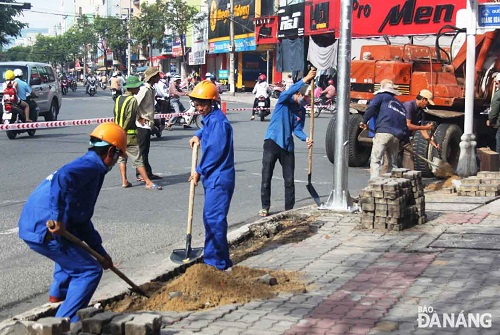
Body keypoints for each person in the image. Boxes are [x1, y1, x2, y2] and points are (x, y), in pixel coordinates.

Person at [17, 122, 127, 323]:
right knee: (88, 272)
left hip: (33, 223)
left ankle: (58, 299)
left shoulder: (91, 166)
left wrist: (100, 252)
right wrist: (57, 217)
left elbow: (81, 219)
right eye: (118, 156)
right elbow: (63, 177)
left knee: (74, 256)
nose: (116, 162)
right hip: (44, 227)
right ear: (111, 151)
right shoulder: (92, 166)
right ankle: (63, 325)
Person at [188, 81, 235, 270]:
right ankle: (219, 260)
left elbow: (214, 152)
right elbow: (207, 130)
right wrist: (198, 134)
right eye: (197, 104)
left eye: (203, 104)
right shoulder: (211, 120)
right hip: (214, 178)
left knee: (213, 219)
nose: (199, 108)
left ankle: (215, 263)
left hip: (219, 178)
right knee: (211, 218)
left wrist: (198, 171)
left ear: (212, 103)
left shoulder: (218, 122)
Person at [259, 68, 316, 217]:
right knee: (266, 176)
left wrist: (306, 138)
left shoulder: (301, 111)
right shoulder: (284, 101)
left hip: (287, 145)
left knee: (289, 179)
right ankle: (265, 206)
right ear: (297, 94)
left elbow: (297, 129)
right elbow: (288, 91)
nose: (306, 100)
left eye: (308, 98)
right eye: (304, 96)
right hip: (272, 141)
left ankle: (289, 209)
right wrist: (305, 79)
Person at [114, 75, 163, 190]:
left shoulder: (119, 99)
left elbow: (116, 114)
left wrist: (118, 131)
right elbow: (130, 117)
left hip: (117, 131)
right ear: (132, 88)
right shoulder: (132, 100)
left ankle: (124, 181)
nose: (139, 89)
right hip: (128, 133)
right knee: (138, 158)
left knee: (122, 158)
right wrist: (124, 131)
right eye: (137, 87)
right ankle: (147, 182)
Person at [359, 79, 408, 179]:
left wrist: (364, 121)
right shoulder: (400, 105)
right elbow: (404, 124)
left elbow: (372, 107)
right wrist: (404, 139)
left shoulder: (381, 96)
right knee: (393, 163)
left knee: (376, 160)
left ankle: (374, 183)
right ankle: (393, 184)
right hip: (396, 136)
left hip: (383, 132)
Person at [135, 67, 162, 181]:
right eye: (157, 76)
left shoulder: (151, 89)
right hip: (142, 124)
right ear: (153, 77)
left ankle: (147, 172)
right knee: (142, 150)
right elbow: (134, 104)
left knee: (145, 150)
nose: (159, 78)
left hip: (148, 123)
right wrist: (139, 117)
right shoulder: (144, 89)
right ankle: (141, 174)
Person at [487, 73, 500, 153]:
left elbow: (494, 111)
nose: (495, 85)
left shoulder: (498, 95)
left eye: (497, 83)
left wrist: (490, 120)